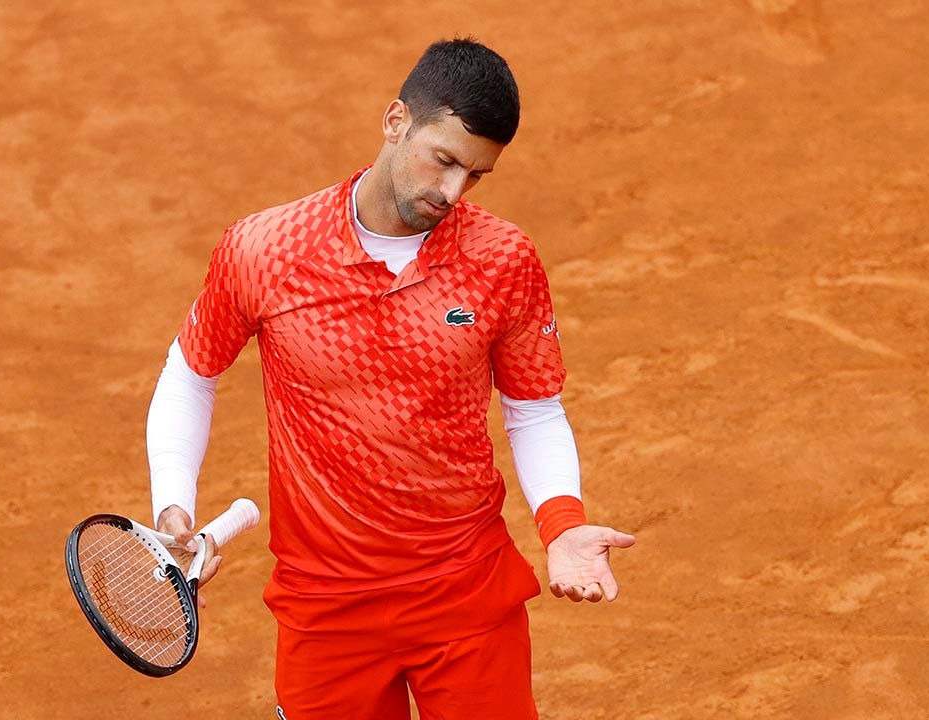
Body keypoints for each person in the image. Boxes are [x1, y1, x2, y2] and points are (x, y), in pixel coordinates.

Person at [145, 37, 636, 720]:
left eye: (476, 176)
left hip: (465, 596)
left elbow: (534, 407)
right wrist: (174, 503)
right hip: (326, 610)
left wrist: (561, 524)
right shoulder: (265, 250)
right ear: (396, 120)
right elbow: (192, 372)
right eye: (444, 161)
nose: (453, 192)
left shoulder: (503, 260)